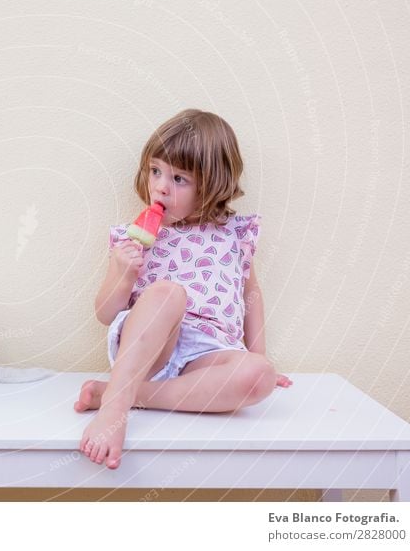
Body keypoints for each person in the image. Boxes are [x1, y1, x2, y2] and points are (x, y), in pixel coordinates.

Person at [76, 109, 292, 470]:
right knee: (168, 294)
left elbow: (250, 297)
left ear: (211, 185)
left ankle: (121, 395)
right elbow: (105, 314)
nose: (160, 186)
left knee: (259, 377)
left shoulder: (233, 235)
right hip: (149, 349)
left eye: (179, 179)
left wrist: (260, 355)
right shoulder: (132, 239)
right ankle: (116, 409)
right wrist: (123, 273)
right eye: (155, 170)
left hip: (208, 356)